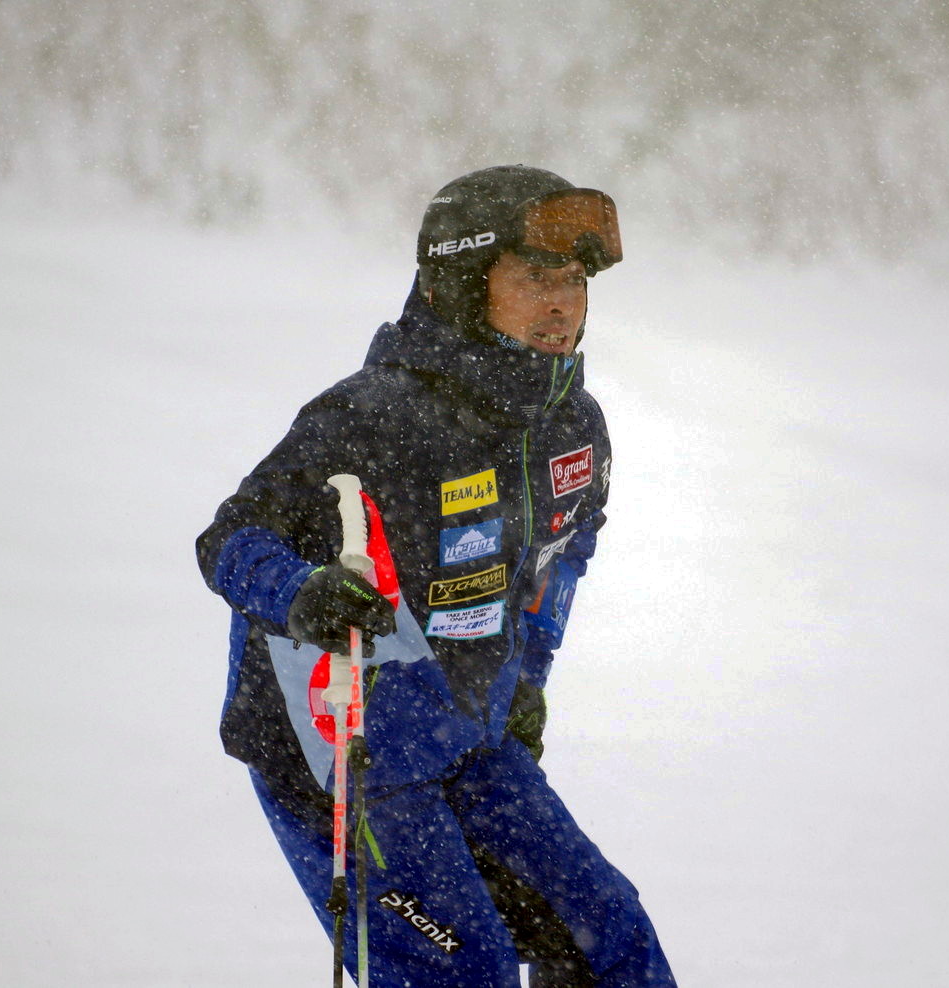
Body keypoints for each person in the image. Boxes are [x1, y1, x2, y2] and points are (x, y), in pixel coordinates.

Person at [196, 165, 677, 987]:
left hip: (468, 742)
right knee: (466, 970)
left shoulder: (571, 428)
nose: (561, 303)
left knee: (611, 942)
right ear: (461, 282)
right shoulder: (373, 415)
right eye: (533, 276)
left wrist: (524, 690)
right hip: (348, 762)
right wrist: (302, 594)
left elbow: (557, 571)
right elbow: (231, 538)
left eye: (573, 281)